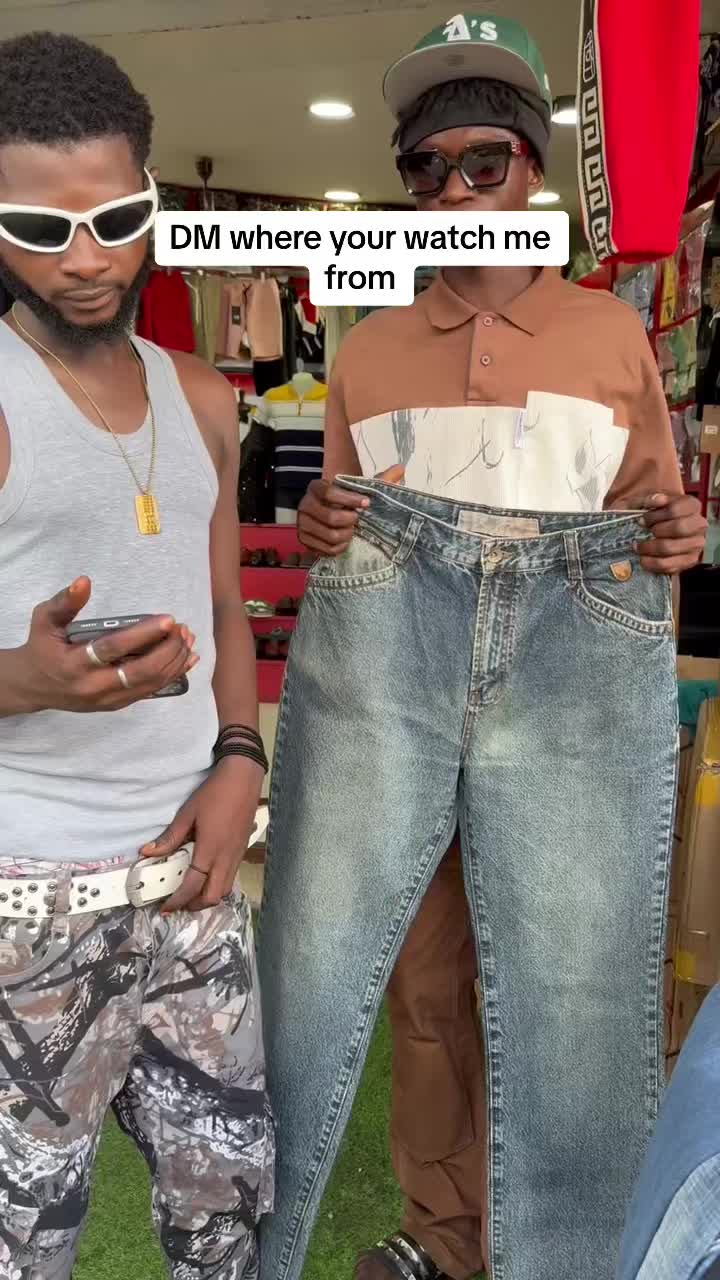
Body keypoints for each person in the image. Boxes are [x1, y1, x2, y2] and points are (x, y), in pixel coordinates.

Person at [264, 12, 708, 1280]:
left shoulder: (611, 337)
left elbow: (652, 514)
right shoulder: (369, 350)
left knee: (569, 984)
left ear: (531, 172)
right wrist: (319, 523)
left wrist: (674, 532)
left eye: (482, 163)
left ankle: (553, 1254)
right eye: (426, 168)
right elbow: (340, 524)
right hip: (398, 663)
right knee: (421, 985)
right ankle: (444, 1230)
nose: (454, 190)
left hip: (567, 672)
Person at [0, 32, 273, 1280]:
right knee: (25, 1242)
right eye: (39, 227)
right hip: (28, 897)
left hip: (194, 884)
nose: (88, 258)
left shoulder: (203, 396)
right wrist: (24, 680)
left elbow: (223, 606)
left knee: (224, 1220)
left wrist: (239, 758)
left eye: (116, 218)